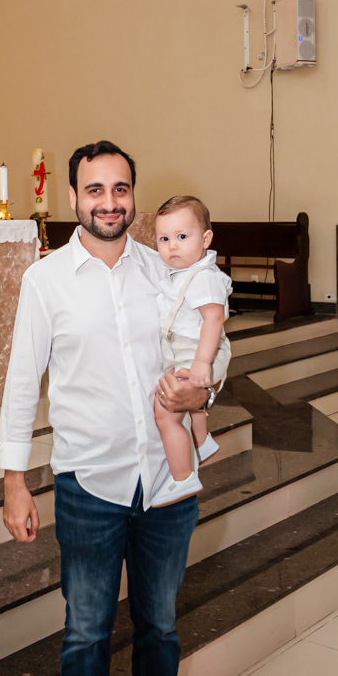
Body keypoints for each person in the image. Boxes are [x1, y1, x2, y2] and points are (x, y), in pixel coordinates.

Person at [0, 140, 219, 676]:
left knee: (158, 626)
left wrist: (204, 383)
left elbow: (210, 333)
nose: (110, 203)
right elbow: (22, 380)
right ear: (73, 199)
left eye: (121, 190)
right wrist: (13, 479)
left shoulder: (163, 266)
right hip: (88, 481)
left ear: (134, 195)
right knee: (87, 636)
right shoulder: (46, 281)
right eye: (96, 191)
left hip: (164, 481)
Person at [153, 196, 232, 487]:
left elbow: (214, 320)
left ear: (206, 239)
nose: (172, 245)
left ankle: (182, 479)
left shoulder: (203, 277)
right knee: (188, 403)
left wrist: (201, 364)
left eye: (182, 236)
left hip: (200, 351)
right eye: (164, 238)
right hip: (184, 348)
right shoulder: (181, 273)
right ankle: (202, 442)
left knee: (167, 409)